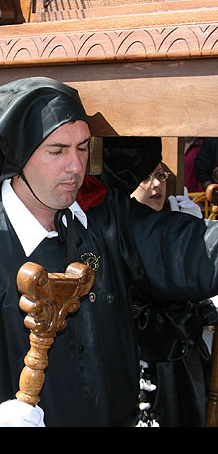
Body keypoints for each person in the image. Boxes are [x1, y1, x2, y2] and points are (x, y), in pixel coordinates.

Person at [0, 77, 218, 427]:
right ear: (19, 154)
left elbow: (187, 249)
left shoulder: (103, 218)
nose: (76, 166)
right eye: (57, 150)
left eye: (82, 147)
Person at [101, 136, 216, 427]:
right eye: (146, 178)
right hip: (147, 365)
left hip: (179, 362)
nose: (156, 186)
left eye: (160, 175)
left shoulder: (171, 218)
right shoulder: (116, 231)